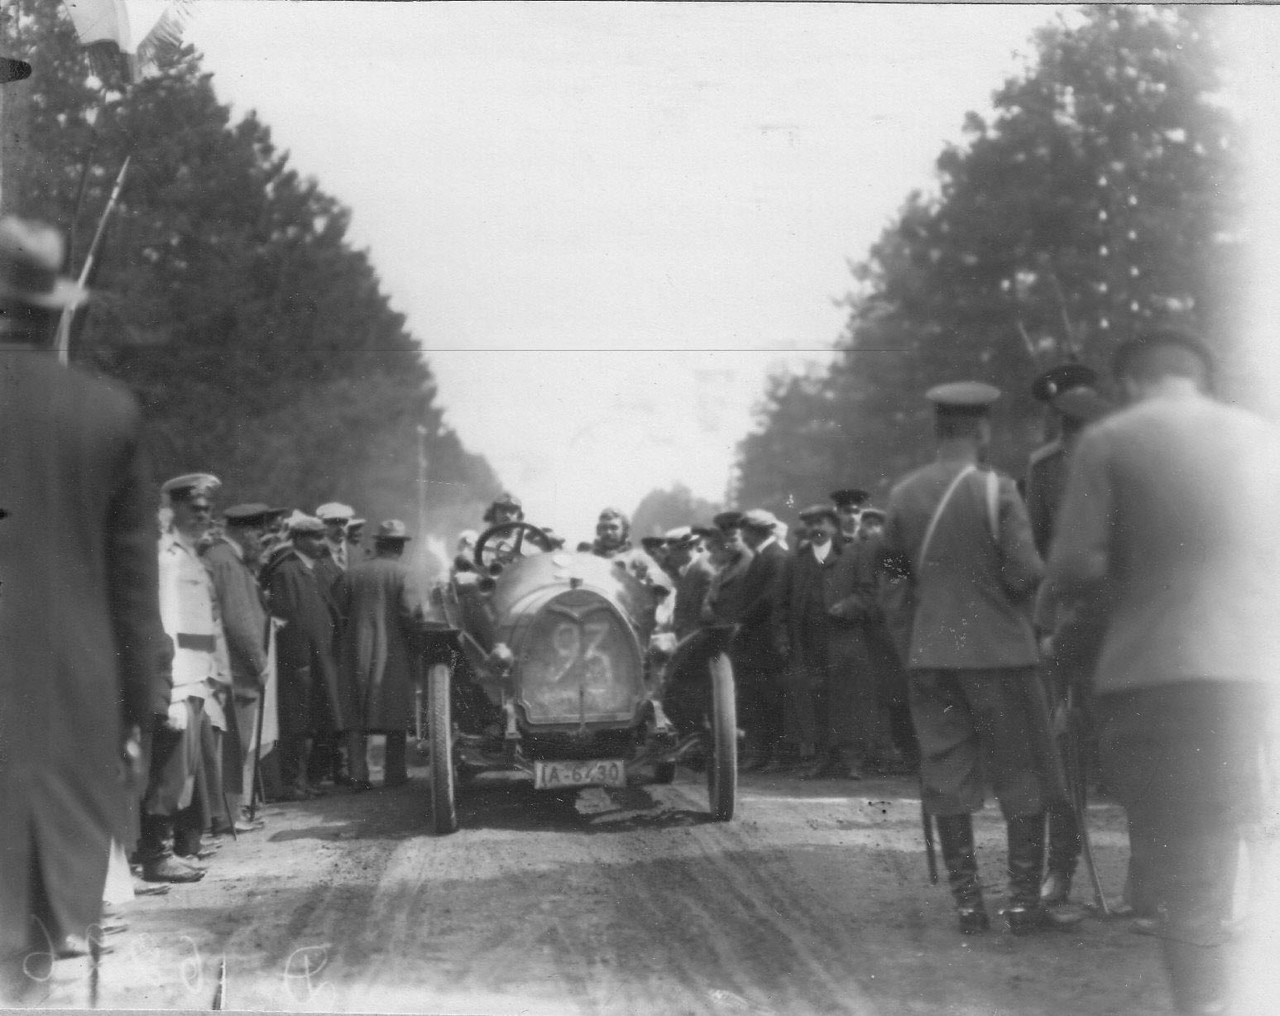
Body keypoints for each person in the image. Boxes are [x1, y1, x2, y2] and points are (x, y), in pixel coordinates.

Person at [1046, 330, 1280, 1015]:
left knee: (1174, 849)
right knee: (1216, 837)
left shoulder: (1112, 441)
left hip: (1151, 671)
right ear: (1199, 377)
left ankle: (1201, 1002)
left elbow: (1071, 566)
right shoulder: (1258, 437)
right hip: (1244, 673)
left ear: (1130, 383)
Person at [0, 217, 161, 998]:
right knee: (26, 940)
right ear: (52, 308)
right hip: (62, 719)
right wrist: (136, 720)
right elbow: (134, 597)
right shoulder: (107, 415)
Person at [879, 381, 1057, 935]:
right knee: (1022, 773)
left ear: (938, 431)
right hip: (1001, 656)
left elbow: (892, 583)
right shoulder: (997, 491)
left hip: (932, 658)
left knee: (947, 773)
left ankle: (967, 905)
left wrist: (917, 642)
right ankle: (1025, 903)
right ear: (982, 431)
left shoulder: (904, 497)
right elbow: (1024, 573)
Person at [1023, 364, 1111, 912]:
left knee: (1135, 745)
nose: (1066, 426)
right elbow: (1035, 549)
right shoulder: (1044, 466)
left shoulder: (1131, 457)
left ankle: (1148, 881)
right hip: (1061, 622)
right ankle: (1061, 870)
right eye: (1060, 415)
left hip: (1125, 620)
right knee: (1062, 753)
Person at [144, 473, 235, 875]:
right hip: (179, 677)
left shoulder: (190, 554)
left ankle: (172, 849)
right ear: (175, 509)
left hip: (197, 676)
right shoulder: (167, 558)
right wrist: (175, 688)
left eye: (207, 511)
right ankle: (156, 854)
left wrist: (211, 672)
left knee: (186, 771)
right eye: (195, 509)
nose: (203, 517)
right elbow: (166, 622)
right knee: (170, 771)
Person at [780, 505, 879, 778]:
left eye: (821, 522)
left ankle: (852, 760)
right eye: (810, 524)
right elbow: (783, 604)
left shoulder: (853, 556)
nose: (815, 528)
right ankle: (823, 757)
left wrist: (848, 606)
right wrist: (785, 637)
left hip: (845, 640)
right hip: (809, 642)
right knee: (815, 699)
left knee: (848, 699)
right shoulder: (797, 562)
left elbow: (868, 593)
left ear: (835, 527)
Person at [265, 514, 356, 801]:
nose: (321, 542)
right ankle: (293, 781)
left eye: (321, 536)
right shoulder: (287, 572)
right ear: (299, 540)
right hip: (300, 661)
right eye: (316, 537)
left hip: (323, 658)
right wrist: (298, 661)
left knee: (328, 720)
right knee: (296, 724)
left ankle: (313, 778)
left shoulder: (316, 568)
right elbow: (284, 620)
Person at [203, 502, 278, 832]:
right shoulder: (228, 563)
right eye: (260, 533)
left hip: (233, 667)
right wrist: (259, 663)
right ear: (245, 532)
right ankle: (229, 815)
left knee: (236, 743)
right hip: (236, 670)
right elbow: (239, 621)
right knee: (235, 743)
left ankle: (230, 812)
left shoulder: (225, 559)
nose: (263, 540)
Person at [335, 520, 426, 790]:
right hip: (392, 653)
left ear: (377, 545)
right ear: (399, 546)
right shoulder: (404, 574)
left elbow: (337, 610)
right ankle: (394, 772)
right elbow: (410, 615)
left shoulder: (352, 573)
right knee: (395, 712)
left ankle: (358, 775)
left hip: (354, 652)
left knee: (354, 714)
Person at [733, 508, 790, 771]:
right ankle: (760, 754)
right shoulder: (762, 556)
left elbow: (770, 598)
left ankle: (774, 756)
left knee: (770, 700)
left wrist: (742, 619)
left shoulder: (775, 556)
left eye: (745, 530)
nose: (742, 536)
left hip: (766, 641)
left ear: (756, 532)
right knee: (757, 699)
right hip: (756, 641)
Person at [316, 502, 356, 572]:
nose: (341, 528)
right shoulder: (314, 553)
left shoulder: (356, 552)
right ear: (324, 525)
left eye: (344, 523)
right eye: (335, 523)